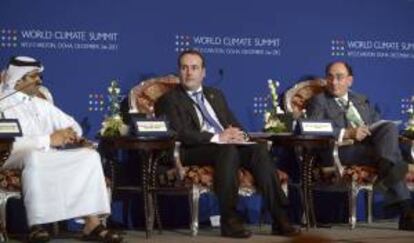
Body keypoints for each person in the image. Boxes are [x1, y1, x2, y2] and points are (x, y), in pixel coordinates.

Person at [154, 49, 300, 238]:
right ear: (179, 71)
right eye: (184, 68)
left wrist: (241, 136)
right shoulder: (168, 100)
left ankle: (280, 218)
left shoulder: (216, 95)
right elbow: (180, 133)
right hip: (192, 149)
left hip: (223, 145)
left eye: (194, 68)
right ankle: (230, 220)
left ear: (203, 72)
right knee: (227, 149)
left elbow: (233, 123)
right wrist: (216, 138)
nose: (189, 72)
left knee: (257, 150)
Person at [0, 56, 123, 243]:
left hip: (45, 155)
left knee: (88, 156)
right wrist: (48, 139)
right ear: (19, 79)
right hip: (11, 156)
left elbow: (74, 126)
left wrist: (69, 134)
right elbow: (10, 144)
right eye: (34, 76)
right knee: (35, 156)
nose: (39, 81)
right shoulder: (3, 103)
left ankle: (92, 222)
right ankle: (37, 225)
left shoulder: (40, 103)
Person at [306, 60, 414, 230]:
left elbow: (375, 124)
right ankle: (406, 210)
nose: (334, 82)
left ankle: (404, 207)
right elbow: (312, 128)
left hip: (366, 148)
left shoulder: (360, 99)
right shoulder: (319, 101)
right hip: (338, 150)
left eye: (339, 77)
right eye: (330, 77)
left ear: (350, 80)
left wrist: (376, 129)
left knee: (389, 128)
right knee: (393, 157)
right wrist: (347, 133)